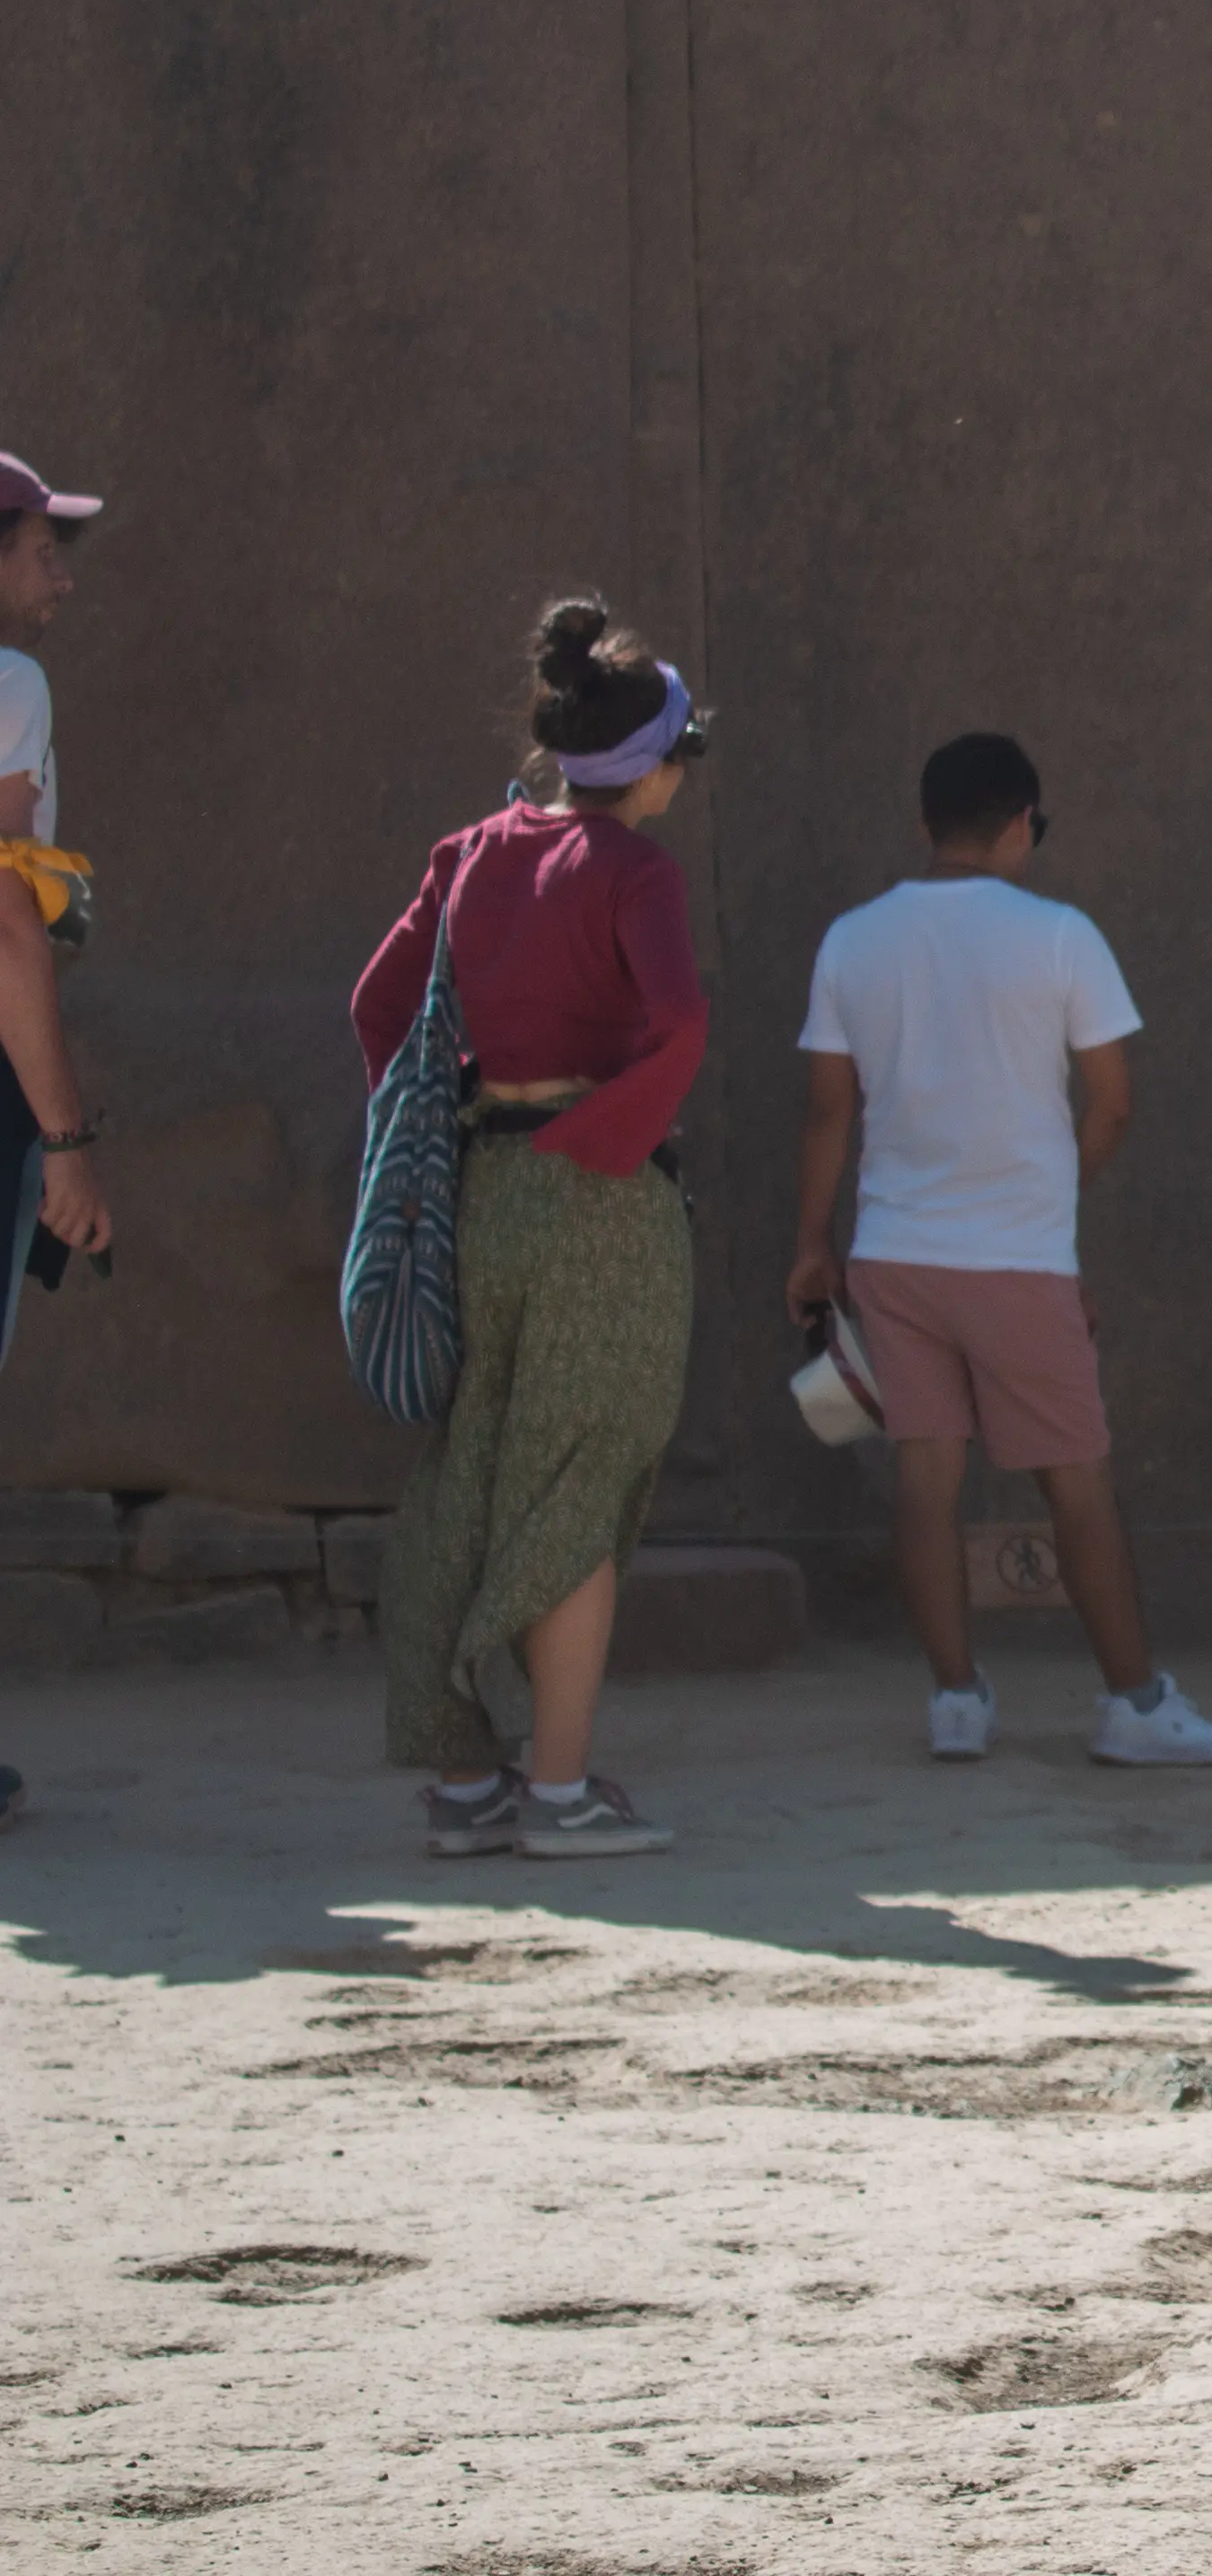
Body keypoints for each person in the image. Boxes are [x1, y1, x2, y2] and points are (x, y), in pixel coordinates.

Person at [789, 732, 1212, 1769]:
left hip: (893, 1253)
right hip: (1018, 1261)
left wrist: (812, 1246)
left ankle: (955, 1699)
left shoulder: (852, 940)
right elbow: (1112, 1105)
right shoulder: (1061, 936)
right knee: (1076, 1479)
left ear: (925, 824)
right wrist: (1049, 1190)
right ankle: (1133, 1702)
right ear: (1021, 825)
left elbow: (825, 1112)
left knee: (925, 1474)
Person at [348, 600, 713, 1860]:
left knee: (471, 1472)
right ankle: (559, 1793)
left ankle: (465, 1784)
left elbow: (379, 1003)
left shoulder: (472, 852)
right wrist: (604, 1146)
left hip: (480, 1191)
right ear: (651, 763)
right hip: (596, 1197)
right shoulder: (636, 871)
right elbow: (682, 1030)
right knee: (575, 1477)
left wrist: (448, 1128)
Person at [0, 454, 114, 1856]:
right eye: (38, 549)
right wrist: (66, 1142)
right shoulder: (10, 686)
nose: (59, 575)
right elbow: (8, 923)